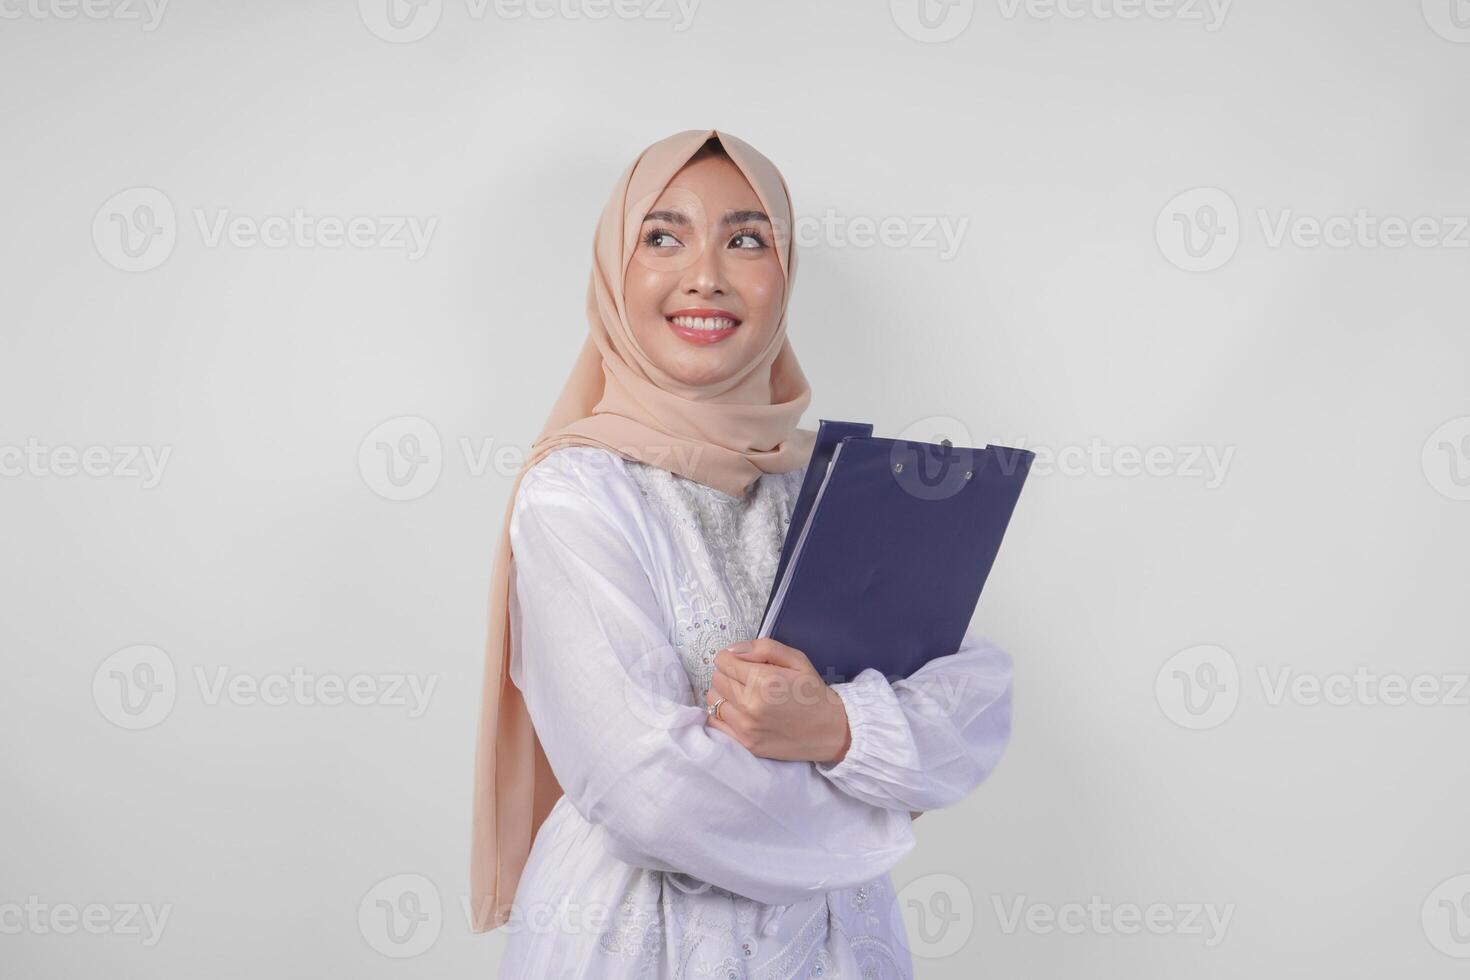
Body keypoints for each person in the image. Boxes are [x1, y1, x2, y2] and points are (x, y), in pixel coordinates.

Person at [469, 128, 1014, 978]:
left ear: (783, 273)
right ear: (616, 271)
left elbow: (977, 696)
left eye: (747, 239)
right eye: (662, 235)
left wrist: (835, 727)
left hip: (839, 948)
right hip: (632, 943)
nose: (707, 275)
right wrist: (884, 805)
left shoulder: (829, 485)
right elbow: (647, 789)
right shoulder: (576, 493)